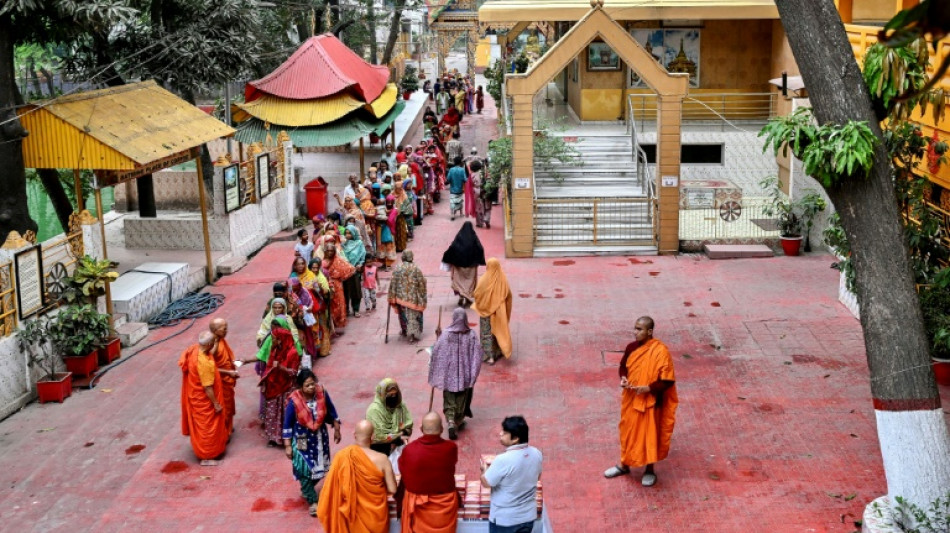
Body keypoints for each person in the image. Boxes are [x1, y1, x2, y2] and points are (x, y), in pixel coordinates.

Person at [604, 316, 678, 487]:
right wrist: (623, 378)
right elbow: (623, 366)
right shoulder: (631, 347)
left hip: (651, 401)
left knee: (649, 436)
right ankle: (624, 465)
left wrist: (649, 388)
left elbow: (668, 380)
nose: (635, 332)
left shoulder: (660, 351)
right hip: (631, 398)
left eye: (639, 329)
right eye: (635, 328)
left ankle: (649, 470)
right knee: (627, 432)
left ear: (649, 331)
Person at [317, 419, 397, 533]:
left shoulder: (341, 457)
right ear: (373, 437)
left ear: (354, 435)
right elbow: (393, 489)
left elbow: (330, 490)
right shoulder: (382, 459)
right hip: (376, 518)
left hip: (352, 518)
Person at [283, 368, 342, 517]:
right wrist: (288, 446)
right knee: (304, 470)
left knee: (320, 469)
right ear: (300, 387)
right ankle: (313, 501)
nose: (311, 388)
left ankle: (307, 489)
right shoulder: (294, 401)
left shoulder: (322, 393)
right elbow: (287, 424)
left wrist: (336, 429)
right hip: (302, 439)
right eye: (307, 385)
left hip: (320, 438)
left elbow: (332, 411)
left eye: (312, 384)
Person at [398, 413, 459, 532]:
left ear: (421, 429)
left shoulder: (410, 450)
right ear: (442, 429)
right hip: (444, 508)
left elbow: (403, 469)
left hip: (418, 509)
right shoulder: (451, 448)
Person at [480, 416, 543, 533]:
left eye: (504, 433)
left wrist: (484, 470)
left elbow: (486, 483)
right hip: (528, 517)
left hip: (505, 521)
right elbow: (537, 477)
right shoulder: (537, 453)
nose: (500, 434)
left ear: (515, 439)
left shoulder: (502, 460)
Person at [429, 308, 482, 439]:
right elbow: (477, 356)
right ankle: (457, 421)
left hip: (448, 376)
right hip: (465, 375)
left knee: (449, 398)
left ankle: (451, 421)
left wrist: (438, 337)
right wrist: (473, 374)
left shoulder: (446, 335)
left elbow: (437, 351)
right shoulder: (471, 335)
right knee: (461, 399)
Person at [256, 298, 303, 445]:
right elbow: (268, 365)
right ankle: (274, 438)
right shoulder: (275, 349)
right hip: (274, 387)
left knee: (287, 413)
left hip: (286, 388)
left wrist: (281, 368)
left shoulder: (292, 352)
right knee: (273, 412)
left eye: (275, 338)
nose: (272, 340)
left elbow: (294, 372)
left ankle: (291, 441)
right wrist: (265, 381)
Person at [179, 331, 229, 465]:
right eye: (212, 342)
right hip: (205, 401)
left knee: (203, 427)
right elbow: (207, 387)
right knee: (207, 428)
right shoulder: (203, 363)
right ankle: (207, 457)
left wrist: (216, 341)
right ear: (208, 344)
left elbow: (210, 351)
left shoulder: (195, 349)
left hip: (195, 396)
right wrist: (216, 404)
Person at [472, 258, 513, 365]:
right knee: (497, 331)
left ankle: (489, 357)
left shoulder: (484, 279)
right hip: (499, 313)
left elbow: (477, 293)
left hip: (485, 312)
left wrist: (484, 303)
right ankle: (498, 351)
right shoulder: (503, 279)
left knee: (486, 333)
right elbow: (508, 295)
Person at [365, 378, 413, 456]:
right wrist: (398, 437)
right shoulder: (374, 410)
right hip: (379, 450)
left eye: (395, 394)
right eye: (390, 395)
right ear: (382, 395)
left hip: (398, 449)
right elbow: (379, 436)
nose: (393, 397)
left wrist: (404, 433)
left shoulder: (400, 406)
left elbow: (408, 426)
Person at [442, 222, 485, 306]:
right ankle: (467, 297)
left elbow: (452, 248)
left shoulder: (459, 238)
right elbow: (480, 249)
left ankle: (462, 297)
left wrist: (448, 258)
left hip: (459, 267)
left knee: (460, 282)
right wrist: (478, 260)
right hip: (471, 267)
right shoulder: (474, 238)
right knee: (469, 282)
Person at [388, 251, 427, 342]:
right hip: (414, 299)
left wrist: (391, 295)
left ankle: (405, 330)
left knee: (403, 315)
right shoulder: (416, 268)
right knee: (414, 315)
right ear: (411, 257)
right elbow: (422, 283)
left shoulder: (398, 268)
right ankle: (414, 333)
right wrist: (422, 296)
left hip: (401, 298)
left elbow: (393, 282)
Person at [209, 318, 240, 436]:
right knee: (224, 407)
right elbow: (210, 368)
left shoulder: (221, 340)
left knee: (229, 405)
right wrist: (228, 372)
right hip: (220, 381)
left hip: (228, 378)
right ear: (215, 330)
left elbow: (226, 357)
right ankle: (224, 433)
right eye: (224, 329)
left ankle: (228, 427)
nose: (226, 331)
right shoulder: (212, 345)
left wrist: (234, 364)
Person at [322, 243, 356, 334]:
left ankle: (339, 322)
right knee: (330, 304)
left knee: (339, 303)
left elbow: (351, 269)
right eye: (328, 251)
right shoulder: (322, 261)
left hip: (337, 284)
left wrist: (341, 277)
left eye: (331, 251)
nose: (330, 252)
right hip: (326, 284)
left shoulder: (338, 260)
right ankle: (331, 323)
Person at [341, 225, 365, 318]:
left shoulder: (359, 243)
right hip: (344, 271)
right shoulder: (343, 244)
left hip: (354, 271)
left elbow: (362, 255)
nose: (347, 235)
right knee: (345, 291)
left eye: (350, 233)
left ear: (354, 233)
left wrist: (360, 264)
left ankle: (356, 309)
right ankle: (346, 309)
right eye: (346, 233)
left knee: (356, 290)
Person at [470, 161, 492, 228]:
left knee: (478, 208)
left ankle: (479, 223)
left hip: (476, 192)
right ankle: (486, 218)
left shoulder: (472, 175)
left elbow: (470, 185)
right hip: (486, 191)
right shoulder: (486, 173)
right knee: (487, 207)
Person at [447, 157, 467, 221]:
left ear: (454, 162)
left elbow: (448, 179)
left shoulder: (451, 169)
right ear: (460, 162)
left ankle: (452, 214)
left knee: (452, 201)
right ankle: (461, 213)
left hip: (452, 189)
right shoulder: (462, 170)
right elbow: (465, 179)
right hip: (460, 189)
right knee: (460, 200)